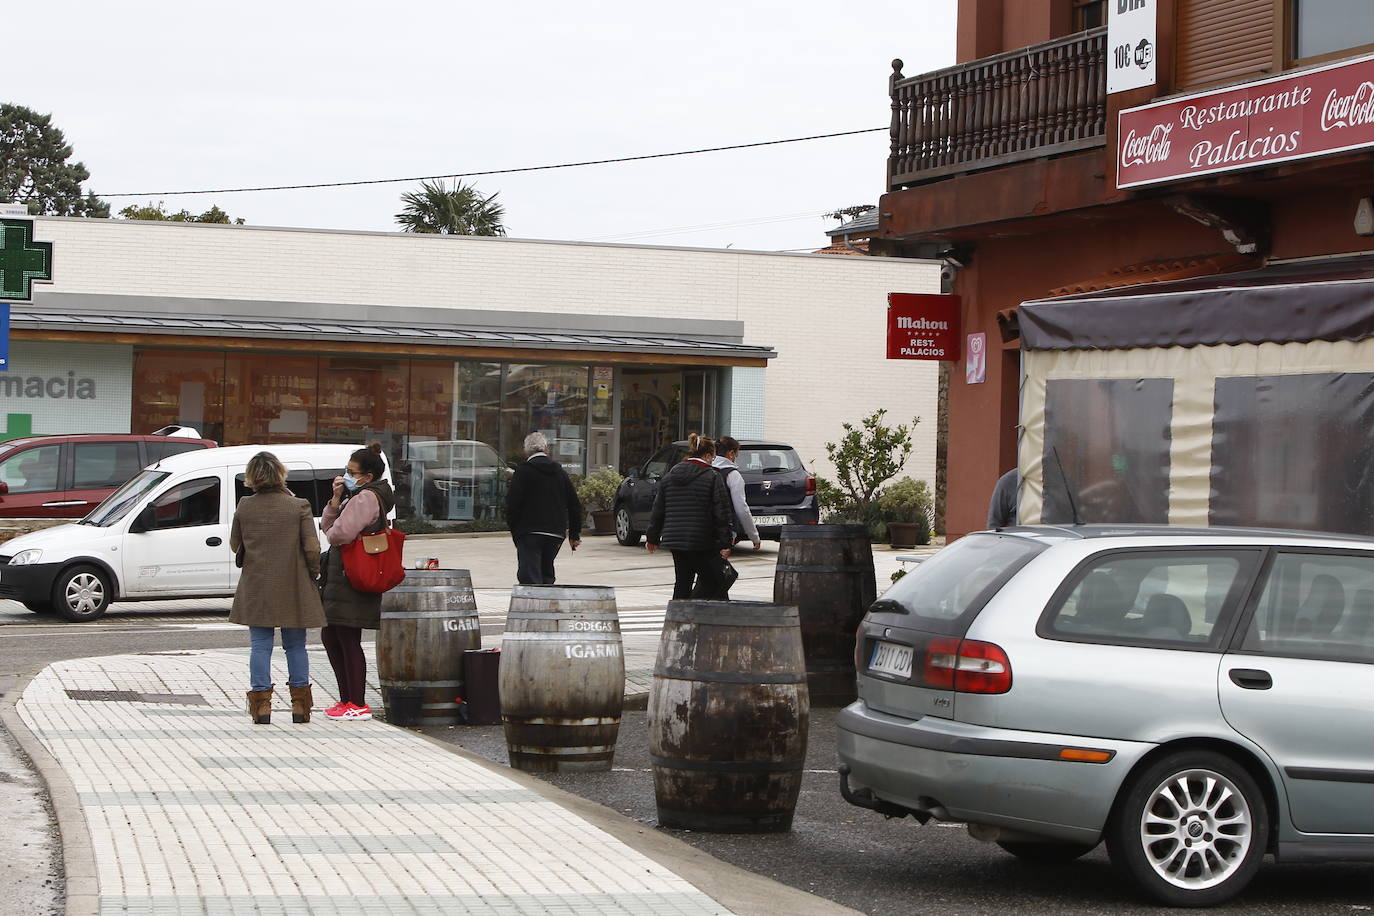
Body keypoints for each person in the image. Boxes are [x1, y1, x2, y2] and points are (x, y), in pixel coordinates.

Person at [228, 451, 326, 725]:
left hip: (258, 584)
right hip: (294, 583)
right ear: (280, 473)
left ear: (253, 477)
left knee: (260, 646)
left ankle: (261, 706)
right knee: (296, 646)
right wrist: (313, 574)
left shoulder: (245, 506)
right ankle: (300, 706)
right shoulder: (299, 506)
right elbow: (312, 547)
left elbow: (235, 544)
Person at [320, 443, 396, 721]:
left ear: (368, 475)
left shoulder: (366, 498)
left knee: (347, 637)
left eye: (352, 472)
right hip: (343, 575)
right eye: (347, 470)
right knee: (332, 635)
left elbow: (338, 534)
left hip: (351, 576)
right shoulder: (357, 495)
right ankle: (346, 699)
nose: (347, 475)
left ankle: (357, 702)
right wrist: (335, 500)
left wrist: (337, 520)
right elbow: (328, 526)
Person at [646, 433, 734, 600]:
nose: (712, 461)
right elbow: (721, 512)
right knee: (714, 580)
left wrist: (652, 537)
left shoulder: (670, 475)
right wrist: (726, 542)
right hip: (701, 539)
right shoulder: (712, 476)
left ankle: (678, 619)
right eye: (712, 457)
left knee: (682, 582)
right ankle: (699, 613)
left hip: (675, 539)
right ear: (707, 455)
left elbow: (658, 510)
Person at [505, 431, 582, 585]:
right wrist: (574, 534)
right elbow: (574, 504)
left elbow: (512, 504)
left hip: (529, 532)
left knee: (530, 575)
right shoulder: (560, 472)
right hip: (555, 533)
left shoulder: (523, 471)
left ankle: (534, 606)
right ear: (546, 448)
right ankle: (547, 599)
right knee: (546, 571)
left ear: (526, 451)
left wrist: (516, 531)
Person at [713, 436, 762, 553]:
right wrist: (754, 536)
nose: (735, 458)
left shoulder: (706, 470)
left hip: (700, 529)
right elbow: (741, 509)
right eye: (736, 455)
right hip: (723, 531)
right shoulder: (733, 475)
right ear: (731, 453)